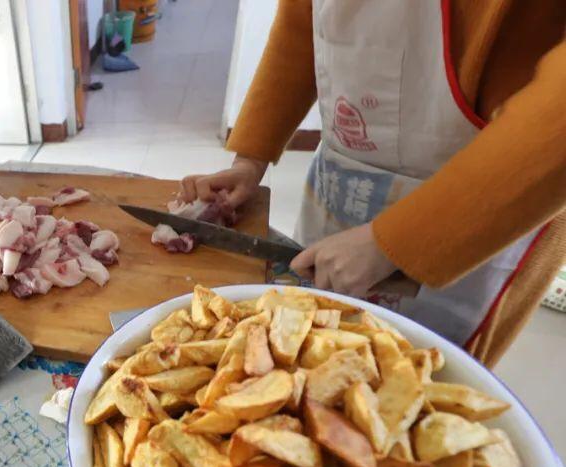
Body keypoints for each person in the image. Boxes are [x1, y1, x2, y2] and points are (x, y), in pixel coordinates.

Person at [181, 1, 565, 366]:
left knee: (419, 378)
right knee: (303, 343)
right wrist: (251, 159)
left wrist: (404, 239)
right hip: (345, 179)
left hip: (482, 204)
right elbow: (304, 23)